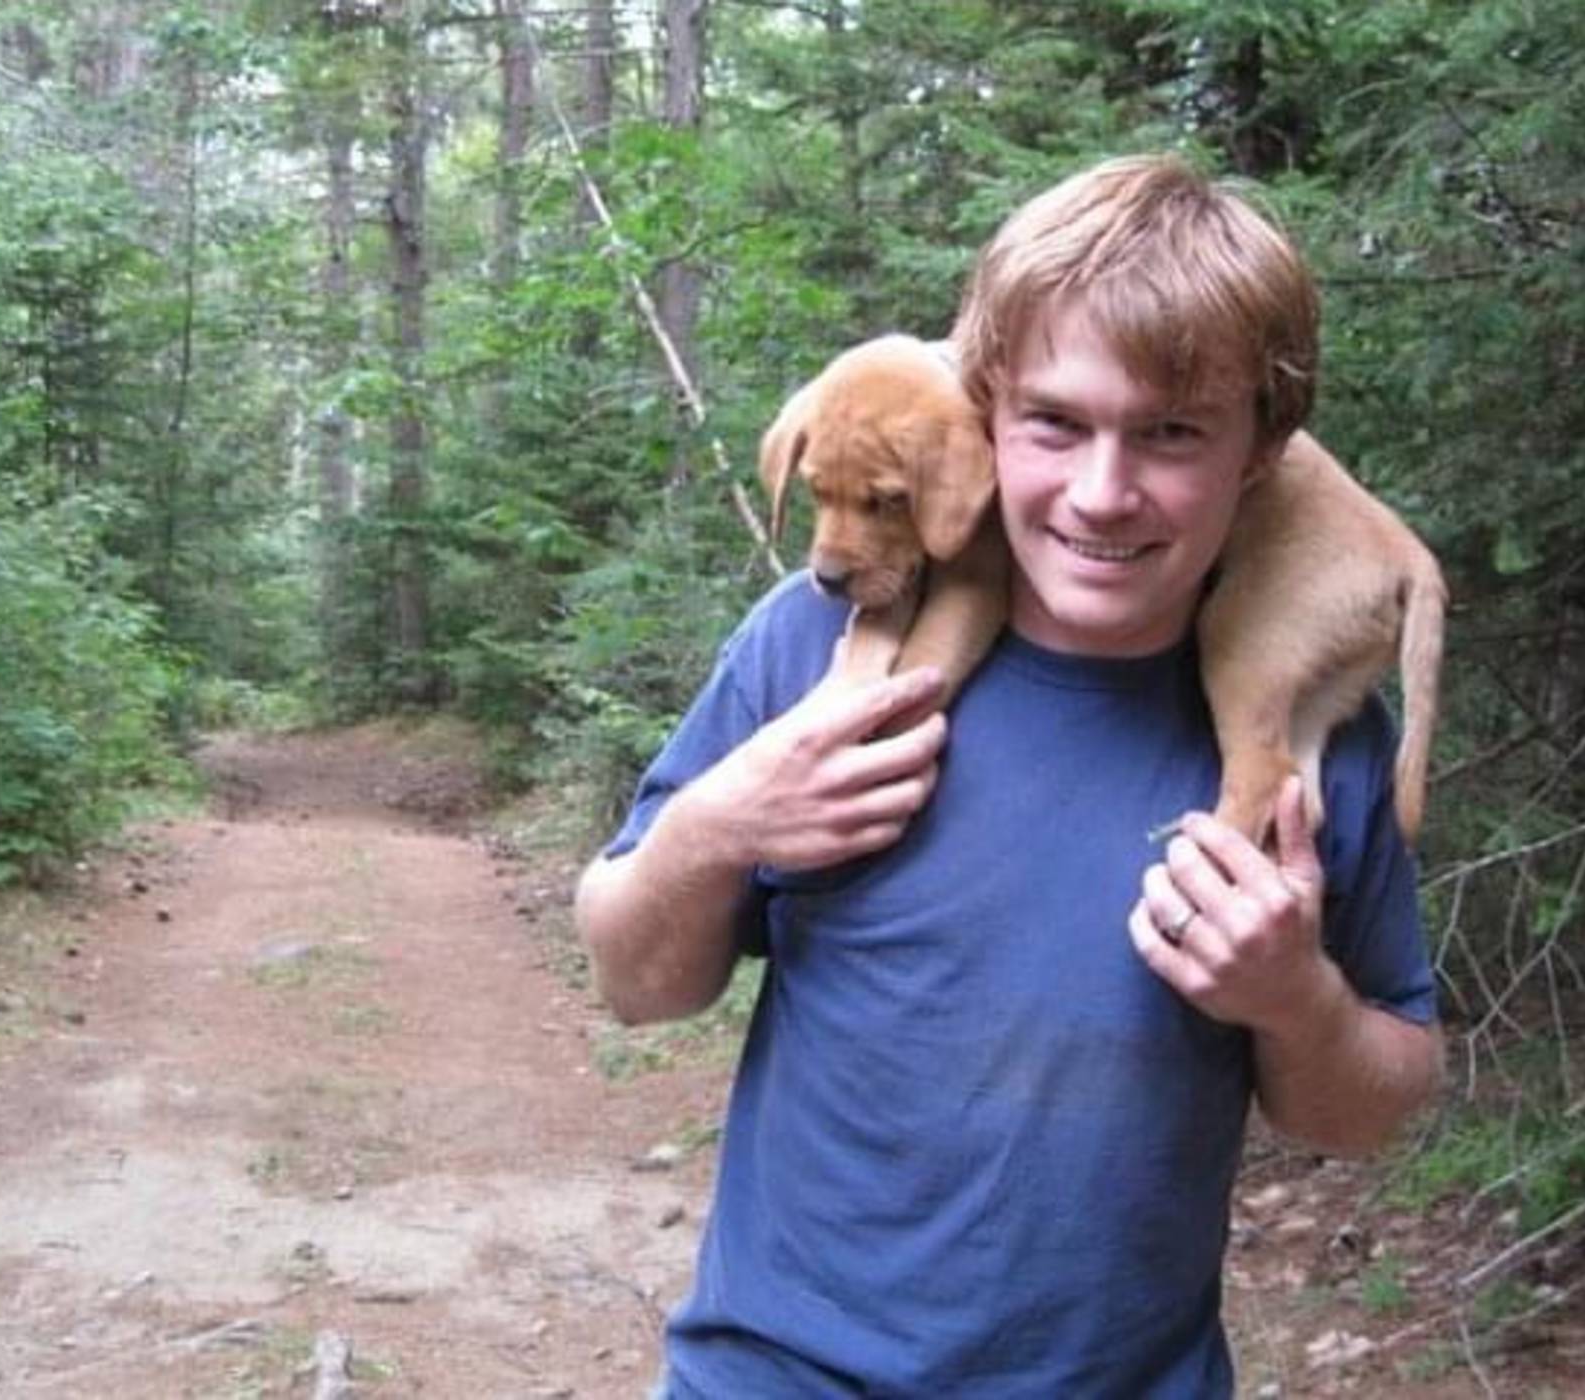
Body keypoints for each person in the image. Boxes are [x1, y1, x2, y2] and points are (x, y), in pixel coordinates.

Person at [574, 153, 1442, 1398]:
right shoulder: (809, 649)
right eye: (1053, 422)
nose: (1102, 491)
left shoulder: (1309, 731)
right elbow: (633, 980)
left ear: (1261, 450)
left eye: (1172, 432)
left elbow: (1370, 1108)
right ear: (981, 411)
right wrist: (715, 826)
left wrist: (1295, 997)